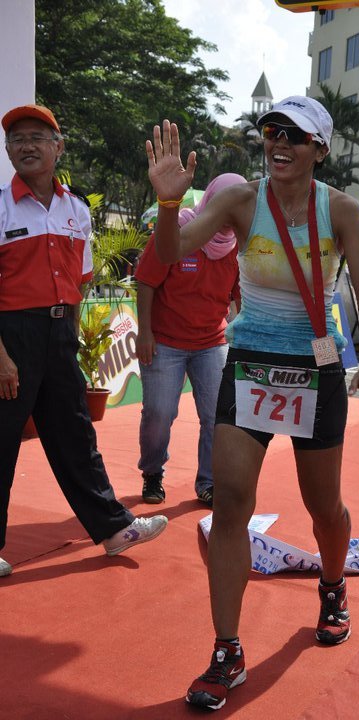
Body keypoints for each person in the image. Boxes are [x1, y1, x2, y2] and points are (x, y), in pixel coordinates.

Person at [145, 95, 359, 711]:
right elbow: (171, 254)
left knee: (323, 506)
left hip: (317, 364)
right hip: (251, 362)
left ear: (319, 149)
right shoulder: (238, 200)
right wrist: (170, 203)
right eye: (271, 131)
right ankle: (226, 650)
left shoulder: (341, 210)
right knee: (230, 503)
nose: (279, 143)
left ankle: (332, 585)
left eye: (294, 136)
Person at [0, 104, 168, 579]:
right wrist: (1, 357)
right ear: (8, 151)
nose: (26, 146)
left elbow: (81, 279)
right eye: (16, 139)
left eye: (37, 137)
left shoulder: (76, 208)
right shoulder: (0, 206)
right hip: (10, 337)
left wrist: (68, 339)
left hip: (59, 335)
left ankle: (114, 529)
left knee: (76, 435)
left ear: (59, 147)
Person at [134, 174, 247, 506]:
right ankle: (152, 472)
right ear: (210, 200)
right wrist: (144, 332)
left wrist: (245, 339)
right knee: (159, 414)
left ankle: (209, 481)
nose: (228, 213)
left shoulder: (238, 245)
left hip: (212, 342)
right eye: (223, 204)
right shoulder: (176, 232)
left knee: (217, 415)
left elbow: (242, 296)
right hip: (164, 341)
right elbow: (146, 282)